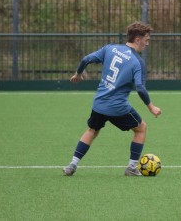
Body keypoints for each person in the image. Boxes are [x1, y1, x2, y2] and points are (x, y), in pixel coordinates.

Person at [63, 21, 162, 176]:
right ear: (137, 39)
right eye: (146, 40)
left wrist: (78, 73)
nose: (147, 43)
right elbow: (140, 88)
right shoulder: (138, 62)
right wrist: (151, 107)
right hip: (118, 107)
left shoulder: (110, 48)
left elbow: (86, 59)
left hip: (99, 103)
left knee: (92, 130)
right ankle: (131, 167)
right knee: (141, 128)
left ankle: (72, 165)